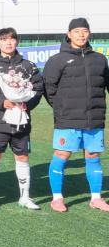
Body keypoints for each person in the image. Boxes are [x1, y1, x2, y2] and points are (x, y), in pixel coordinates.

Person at [43, 18, 109, 212]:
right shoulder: (57, 60)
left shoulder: (100, 59)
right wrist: (62, 108)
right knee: (62, 155)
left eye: (85, 31)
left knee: (93, 155)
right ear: (69, 33)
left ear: (89, 34)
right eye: (77, 31)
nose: (81, 34)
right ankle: (57, 198)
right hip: (68, 119)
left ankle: (96, 198)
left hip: (93, 119)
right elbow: (49, 88)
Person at [0, 27, 44, 210]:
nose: (8, 43)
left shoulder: (28, 65)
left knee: (23, 156)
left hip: (21, 120)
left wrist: (28, 103)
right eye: (4, 40)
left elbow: (38, 88)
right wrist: (2, 102)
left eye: (11, 39)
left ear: (17, 41)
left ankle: (25, 196)